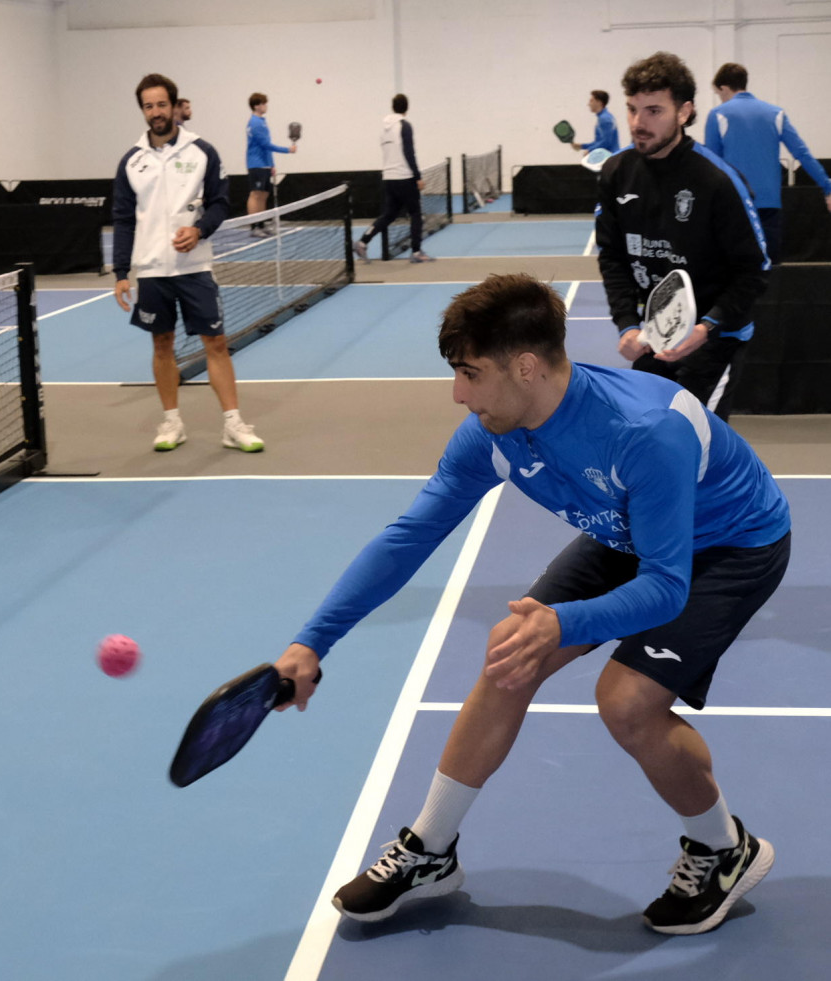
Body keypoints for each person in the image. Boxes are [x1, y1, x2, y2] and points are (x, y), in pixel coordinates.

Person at [274, 272, 790, 935]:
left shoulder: (645, 430)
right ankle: (430, 850)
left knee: (627, 701)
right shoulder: (491, 432)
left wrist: (563, 620)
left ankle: (724, 848)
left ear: (524, 366)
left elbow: (666, 585)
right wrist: (312, 639)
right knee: (508, 656)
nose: (457, 393)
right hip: (623, 526)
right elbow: (408, 537)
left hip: (728, 545)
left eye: (468, 373)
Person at [595, 51, 770, 422]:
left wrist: (706, 328)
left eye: (654, 111)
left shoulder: (718, 182)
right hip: (654, 336)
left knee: (693, 446)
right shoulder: (615, 172)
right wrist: (627, 323)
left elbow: (754, 271)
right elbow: (612, 256)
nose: (638, 123)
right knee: (646, 437)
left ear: (685, 112)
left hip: (716, 341)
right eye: (632, 109)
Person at [112, 73, 264, 454]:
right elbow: (123, 218)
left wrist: (199, 231)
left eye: (162, 104)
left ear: (175, 106)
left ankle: (233, 423)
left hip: (195, 267)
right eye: (148, 106)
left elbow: (219, 203)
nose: (156, 112)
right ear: (142, 111)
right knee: (162, 344)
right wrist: (120, 272)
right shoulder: (131, 161)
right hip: (151, 271)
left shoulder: (203, 152)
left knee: (216, 342)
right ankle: (172, 421)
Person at [704, 62, 831, 265]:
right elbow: (802, 153)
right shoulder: (776, 114)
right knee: (770, 271)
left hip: (734, 205)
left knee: (735, 269)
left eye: (718, 93)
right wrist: (827, 187)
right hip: (769, 204)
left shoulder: (718, 114)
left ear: (724, 88)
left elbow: (711, 163)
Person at [354, 94, 435, 264]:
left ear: (393, 107)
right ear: (407, 107)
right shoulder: (404, 126)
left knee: (389, 215)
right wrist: (417, 176)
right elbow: (408, 152)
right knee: (416, 214)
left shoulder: (384, 129)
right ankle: (416, 251)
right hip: (404, 177)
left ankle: (362, 242)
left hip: (389, 178)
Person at [245, 92, 295, 238]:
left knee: (264, 195)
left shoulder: (262, 121)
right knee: (255, 195)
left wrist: (271, 165)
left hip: (264, 165)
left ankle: (261, 224)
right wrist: (288, 150)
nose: (266, 106)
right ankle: (254, 227)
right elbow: (266, 144)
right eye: (263, 103)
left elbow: (265, 147)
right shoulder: (255, 123)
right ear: (256, 106)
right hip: (256, 164)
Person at [571, 89, 620, 155]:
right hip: (609, 157)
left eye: (591, 100)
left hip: (609, 158)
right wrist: (582, 146)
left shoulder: (605, 119)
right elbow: (599, 142)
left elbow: (606, 142)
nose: (588, 104)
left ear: (599, 102)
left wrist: (590, 150)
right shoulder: (605, 117)